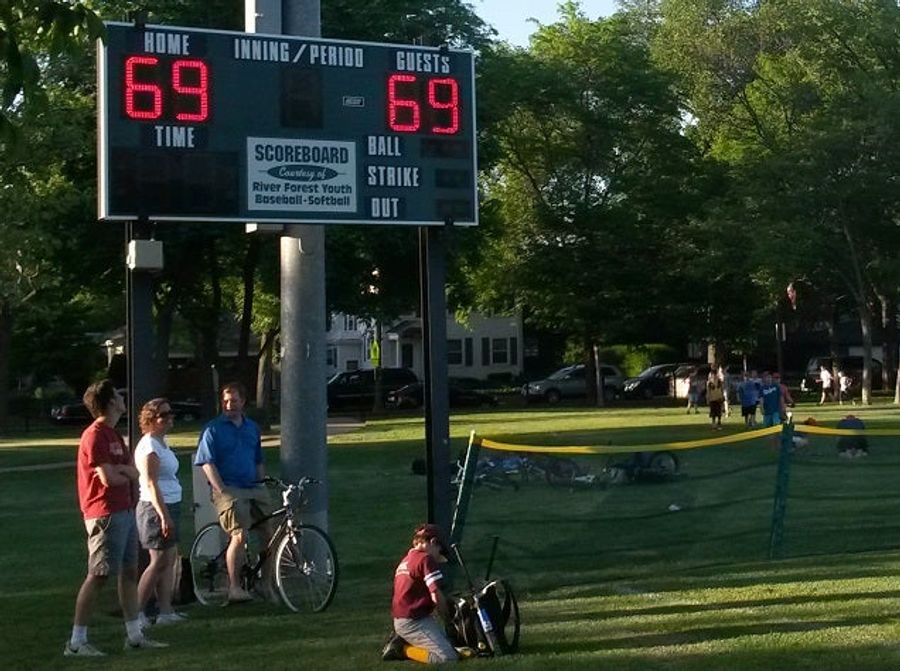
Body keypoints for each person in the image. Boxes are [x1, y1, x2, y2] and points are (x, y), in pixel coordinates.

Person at [65, 380, 167, 656]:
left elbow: (129, 473)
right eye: (119, 396)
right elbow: (110, 479)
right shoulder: (95, 435)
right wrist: (125, 471)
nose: (124, 399)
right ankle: (76, 642)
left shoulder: (112, 434)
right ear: (110, 402)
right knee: (98, 575)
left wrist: (123, 471)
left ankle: (134, 636)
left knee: (129, 574)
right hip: (104, 513)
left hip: (125, 509)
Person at [194, 382, 272, 603]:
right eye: (225, 401)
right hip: (228, 488)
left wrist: (261, 483)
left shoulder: (251, 428)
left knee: (270, 534)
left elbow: (258, 460)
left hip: (253, 487)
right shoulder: (213, 429)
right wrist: (221, 489)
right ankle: (234, 587)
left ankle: (265, 584)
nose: (229, 405)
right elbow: (206, 463)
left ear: (243, 402)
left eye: (234, 400)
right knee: (240, 534)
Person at [135, 398, 187, 626]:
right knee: (157, 561)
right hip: (155, 508)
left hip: (171, 504)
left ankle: (166, 611)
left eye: (169, 414)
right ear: (151, 420)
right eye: (162, 415)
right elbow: (151, 483)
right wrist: (164, 516)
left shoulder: (162, 443)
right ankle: (135, 613)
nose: (168, 418)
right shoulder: (149, 446)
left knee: (169, 559)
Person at [383, 523, 460, 664]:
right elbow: (435, 594)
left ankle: (402, 637)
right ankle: (402, 649)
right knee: (448, 658)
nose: (438, 557)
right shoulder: (425, 559)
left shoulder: (407, 559)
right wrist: (448, 619)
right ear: (433, 542)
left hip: (406, 618)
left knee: (452, 646)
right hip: (413, 621)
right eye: (439, 551)